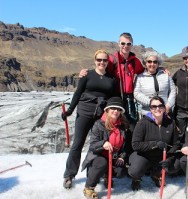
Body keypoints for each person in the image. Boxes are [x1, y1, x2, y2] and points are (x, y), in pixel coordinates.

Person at [62, 49, 117, 189]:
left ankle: (94, 175)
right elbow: (78, 93)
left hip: (101, 115)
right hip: (85, 112)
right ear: (95, 60)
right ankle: (69, 175)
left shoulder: (111, 78)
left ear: (107, 62)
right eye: (99, 60)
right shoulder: (87, 75)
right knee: (78, 144)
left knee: (98, 145)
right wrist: (69, 111)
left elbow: (113, 99)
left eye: (104, 60)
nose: (102, 62)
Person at [79, 32, 144, 131]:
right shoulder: (112, 59)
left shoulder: (135, 61)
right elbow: (100, 69)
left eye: (128, 44)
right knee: (116, 126)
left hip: (129, 99)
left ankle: (130, 146)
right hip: (114, 97)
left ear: (132, 45)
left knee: (132, 127)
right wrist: (85, 72)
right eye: (123, 43)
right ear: (119, 44)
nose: (125, 46)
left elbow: (145, 71)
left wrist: (161, 69)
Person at [81, 96, 132, 199]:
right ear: (107, 110)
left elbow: (125, 146)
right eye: (113, 108)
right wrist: (103, 143)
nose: (116, 111)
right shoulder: (99, 124)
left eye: (118, 109)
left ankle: (107, 175)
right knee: (101, 163)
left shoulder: (122, 125)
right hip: (99, 157)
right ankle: (89, 187)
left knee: (121, 172)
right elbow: (92, 145)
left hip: (113, 158)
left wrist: (122, 157)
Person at [128, 96, 181, 191]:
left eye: (160, 106)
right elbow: (135, 145)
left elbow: (176, 144)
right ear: (150, 108)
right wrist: (155, 144)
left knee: (176, 165)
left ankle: (156, 173)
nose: (157, 109)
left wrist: (170, 158)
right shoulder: (142, 123)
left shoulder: (171, 123)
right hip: (144, 155)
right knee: (135, 170)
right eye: (154, 106)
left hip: (161, 156)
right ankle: (136, 178)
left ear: (164, 108)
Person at [134, 51, 176, 117]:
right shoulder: (140, 77)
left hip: (165, 111)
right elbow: (136, 93)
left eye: (155, 62)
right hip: (147, 113)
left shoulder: (166, 75)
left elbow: (173, 91)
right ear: (145, 63)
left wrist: (168, 105)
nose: (152, 64)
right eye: (149, 61)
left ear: (158, 63)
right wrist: (151, 103)